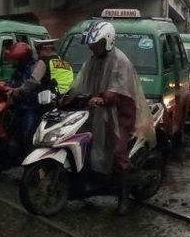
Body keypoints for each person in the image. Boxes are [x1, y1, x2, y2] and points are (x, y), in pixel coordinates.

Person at [63, 18, 155, 214]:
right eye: (91, 44)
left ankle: (124, 200)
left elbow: (116, 89)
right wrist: (67, 98)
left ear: (108, 41)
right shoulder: (93, 60)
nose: (93, 48)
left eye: (96, 44)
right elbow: (80, 82)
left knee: (118, 152)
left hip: (121, 114)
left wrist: (104, 98)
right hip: (98, 111)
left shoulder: (119, 61)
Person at [7, 38, 73, 150]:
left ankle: (28, 162)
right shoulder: (65, 64)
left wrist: (19, 90)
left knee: (30, 135)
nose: (37, 54)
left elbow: (33, 81)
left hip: (47, 105)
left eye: (38, 51)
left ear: (45, 49)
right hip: (63, 105)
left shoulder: (44, 61)